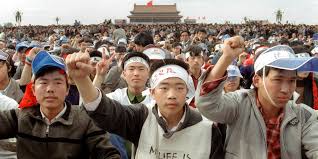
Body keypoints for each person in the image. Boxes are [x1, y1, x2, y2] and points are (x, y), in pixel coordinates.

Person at [65, 51, 226, 159]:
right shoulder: (141, 117)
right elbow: (104, 111)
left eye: (179, 87)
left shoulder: (208, 129)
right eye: (164, 87)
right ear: (152, 92)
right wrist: (82, 79)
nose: (171, 95)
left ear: (187, 92)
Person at [196, 36, 318, 159]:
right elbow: (207, 104)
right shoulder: (239, 105)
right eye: (278, 79)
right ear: (257, 80)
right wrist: (226, 58)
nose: (286, 89)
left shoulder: (304, 116)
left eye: (292, 80)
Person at [0, 50, 120, 159]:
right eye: (43, 82)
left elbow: (108, 154)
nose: (50, 89)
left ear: (67, 89)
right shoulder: (21, 117)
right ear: (33, 90)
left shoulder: (85, 119)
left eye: (57, 82)